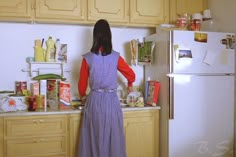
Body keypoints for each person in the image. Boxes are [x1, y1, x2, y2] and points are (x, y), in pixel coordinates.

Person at [77, 19, 135, 157]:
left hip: (94, 101)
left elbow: (81, 85)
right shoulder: (116, 57)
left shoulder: (87, 58)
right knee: (112, 138)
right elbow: (131, 75)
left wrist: (83, 96)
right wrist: (130, 85)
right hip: (111, 101)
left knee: (93, 138)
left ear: (95, 36)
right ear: (109, 35)